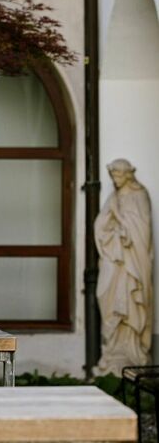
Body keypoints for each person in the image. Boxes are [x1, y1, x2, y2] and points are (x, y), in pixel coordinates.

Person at [95, 159, 153, 375]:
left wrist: (124, 224)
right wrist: (114, 228)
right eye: (112, 177)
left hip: (134, 261)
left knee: (132, 300)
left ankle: (133, 352)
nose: (115, 181)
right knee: (107, 295)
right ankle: (112, 352)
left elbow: (142, 230)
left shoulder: (140, 195)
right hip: (116, 259)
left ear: (128, 175)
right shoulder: (114, 198)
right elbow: (100, 225)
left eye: (118, 176)